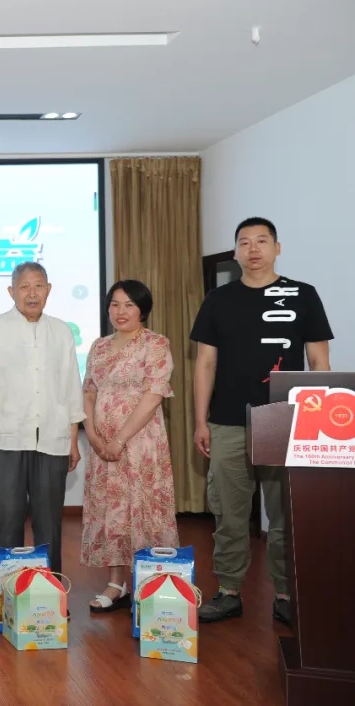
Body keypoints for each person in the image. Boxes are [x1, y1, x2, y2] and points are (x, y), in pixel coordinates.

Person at [191, 217, 332, 625]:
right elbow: (205, 363)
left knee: (285, 513)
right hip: (227, 420)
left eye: (262, 241)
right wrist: (201, 421)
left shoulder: (303, 295)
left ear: (277, 248)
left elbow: (319, 361)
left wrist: (318, 422)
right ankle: (229, 590)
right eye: (244, 242)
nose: (253, 249)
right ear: (235, 251)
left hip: (285, 417)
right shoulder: (218, 300)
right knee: (229, 512)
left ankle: (287, 593)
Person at [0, 261, 84, 580]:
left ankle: (49, 593)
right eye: (24, 287)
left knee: (49, 526)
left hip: (52, 438)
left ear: (48, 290)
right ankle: (5, 595)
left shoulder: (61, 331)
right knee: (6, 523)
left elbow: (71, 387)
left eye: (38, 286)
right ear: (12, 291)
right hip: (5, 438)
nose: (32, 293)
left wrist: (72, 439)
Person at [81, 280, 179, 612]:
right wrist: (93, 435)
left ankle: (151, 581)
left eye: (129, 305)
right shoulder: (98, 346)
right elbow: (88, 391)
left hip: (140, 443)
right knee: (112, 509)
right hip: (103, 445)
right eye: (115, 304)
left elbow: (154, 395)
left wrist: (120, 439)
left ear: (142, 309)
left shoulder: (156, 344)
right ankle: (115, 583)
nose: (120, 312)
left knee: (142, 508)